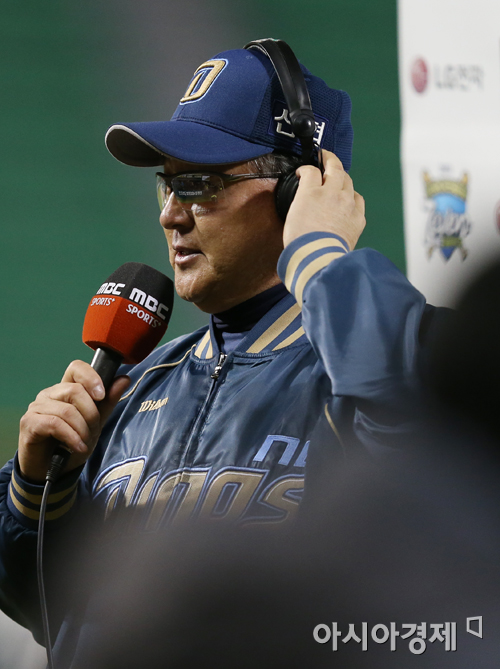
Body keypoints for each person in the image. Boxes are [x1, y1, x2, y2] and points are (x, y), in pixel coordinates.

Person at [0, 42, 438, 664]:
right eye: (167, 184)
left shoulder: (387, 359)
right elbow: (50, 611)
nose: (171, 215)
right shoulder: (133, 386)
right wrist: (38, 491)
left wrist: (320, 253)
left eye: (199, 184)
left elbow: (429, 476)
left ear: (296, 192)